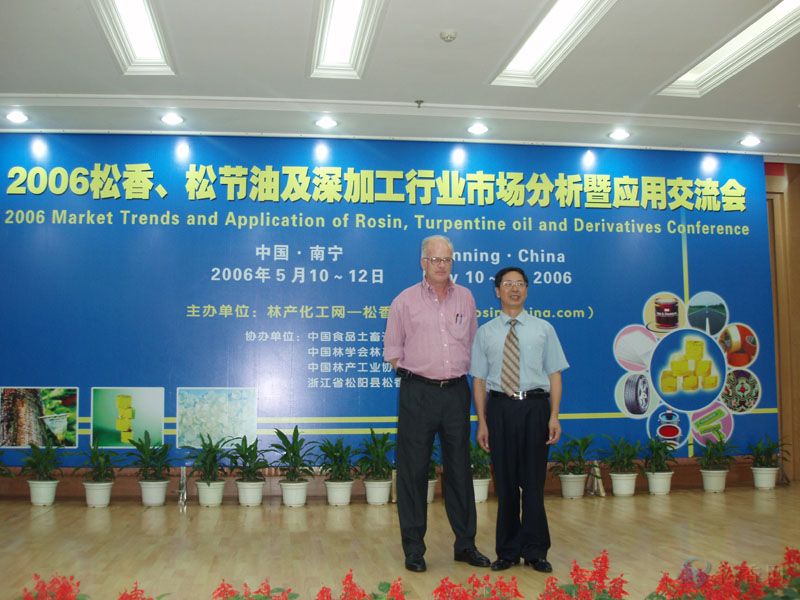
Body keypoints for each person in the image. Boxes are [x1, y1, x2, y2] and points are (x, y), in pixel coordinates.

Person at [384, 234, 491, 573]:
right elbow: (393, 351)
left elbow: (473, 345)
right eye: (435, 259)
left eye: (447, 259)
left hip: (456, 392)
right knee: (413, 472)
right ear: (423, 262)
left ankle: (466, 545)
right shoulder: (404, 301)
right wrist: (417, 375)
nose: (442, 265)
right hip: (418, 393)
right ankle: (414, 549)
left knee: (459, 469)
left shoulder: (466, 298)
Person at [470, 266, 569, 573]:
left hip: (535, 408)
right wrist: (482, 421)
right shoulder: (485, 332)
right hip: (500, 408)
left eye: (520, 284)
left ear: (526, 290)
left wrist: (554, 416)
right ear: (497, 291)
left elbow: (555, 375)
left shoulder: (544, 329)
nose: (514, 289)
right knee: (506, 483)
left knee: (534, 483)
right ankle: (508, 551)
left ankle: (536, 551)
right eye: (508, 284)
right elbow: (479, 380)